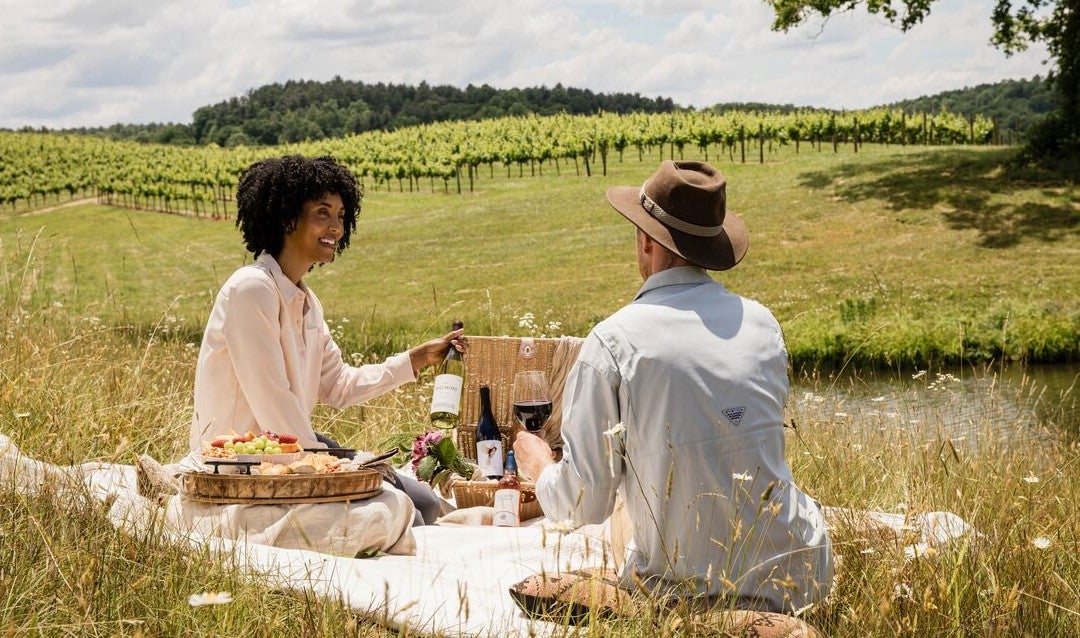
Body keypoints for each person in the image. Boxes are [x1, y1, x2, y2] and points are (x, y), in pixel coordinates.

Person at [513, 160, 833, 613]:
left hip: (694, 588)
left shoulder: (613, 342)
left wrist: (540, 467)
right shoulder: (763, 324)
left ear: (646, 241)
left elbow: (584, 504)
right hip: (800, 570)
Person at [186, 154, 462, 525]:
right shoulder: (251, 290)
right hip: (245, 469)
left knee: (424, 502)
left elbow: (338, 386)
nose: (336, 227)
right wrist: (331, 463)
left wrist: (415, 359)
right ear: (286, 218)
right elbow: (275, 408)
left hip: (294, 454)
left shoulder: (308, 303)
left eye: (341, 216)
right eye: (322, 213)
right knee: (406, 512)